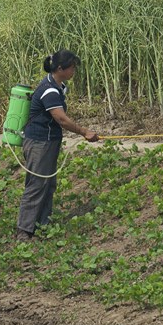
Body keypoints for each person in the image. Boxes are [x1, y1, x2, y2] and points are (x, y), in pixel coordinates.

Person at [16, 49, 99, 241]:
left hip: (48, 142)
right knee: (37, 185)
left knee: (48, 184)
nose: (74, 71)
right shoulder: (50, 90)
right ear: (60, 69)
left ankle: (42, 225)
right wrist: (84, 132)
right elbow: (61, 119)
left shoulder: (57, 86)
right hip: (39, 143)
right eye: (71, 68)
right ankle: (24, 230)